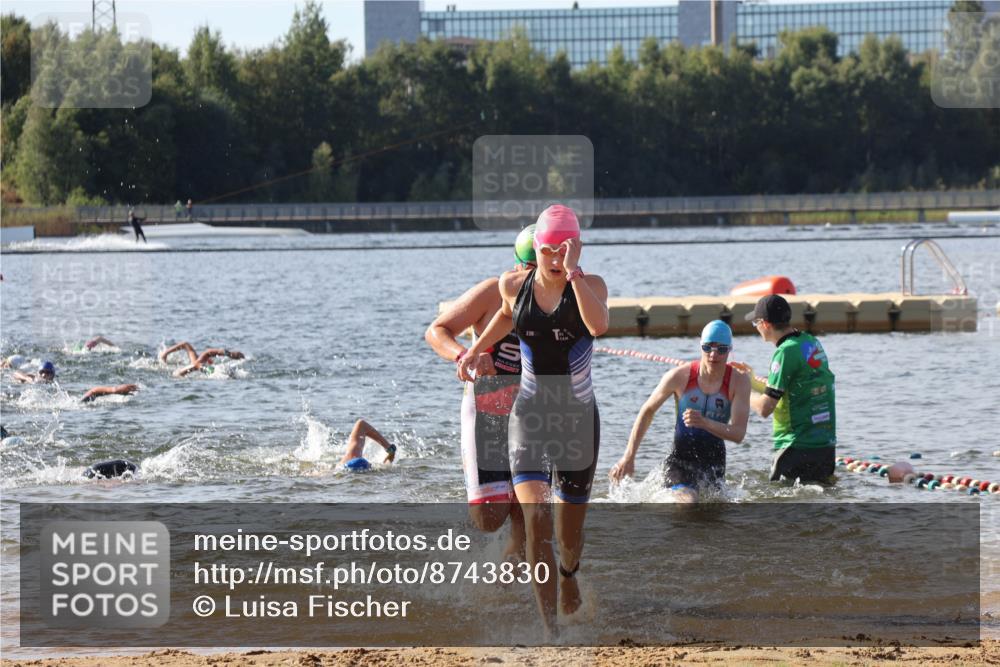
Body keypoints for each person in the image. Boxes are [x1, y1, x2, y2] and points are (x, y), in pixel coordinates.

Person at [457, 204, 608, 635]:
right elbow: (507, 314)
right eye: (549, 250)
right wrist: (475, 348)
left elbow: (597, 326)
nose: (556, 258)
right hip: (529, 416)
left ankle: (569, 574)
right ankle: (551, 630)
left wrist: (574, 274)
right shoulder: (512, 284)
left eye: (565, 249)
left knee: (568, 536)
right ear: (536, 248)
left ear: (576, 247)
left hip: (577, 421)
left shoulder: (591, 286)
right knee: (536, 517)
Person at [425, 225, 536, 559]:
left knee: (531, 519)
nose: (535, 279)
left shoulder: (559, 299)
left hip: (532, 417)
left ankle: (503, 598)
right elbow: (437, 331)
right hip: (487, 410)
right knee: (489, 519)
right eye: (530, 269)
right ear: (518, 266)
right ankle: (456, 555)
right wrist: (465, 356)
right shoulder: (492, 293)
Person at [610, 321, 751, 502]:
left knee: (712, 518)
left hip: (714, 463)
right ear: (700, 345)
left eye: (721, 349)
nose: (713, 354)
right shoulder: (679, 377)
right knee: (687, 501)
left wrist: (705, 422)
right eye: (707, 348)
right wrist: (628, 457)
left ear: (730, 349)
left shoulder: (738, 382)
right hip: (680, 461)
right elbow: (648, 410)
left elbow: (738, 433)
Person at [743, 295, 837, 483]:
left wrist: (742, 389)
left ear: (765, 324)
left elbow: (764, 408)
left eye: (756, 322)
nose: (756, 328)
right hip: (825, 447)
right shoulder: (810, 342)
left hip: (795, 447)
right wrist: (751, 380)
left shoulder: (784, 353)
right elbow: (789, 391)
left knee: (782, 507)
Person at [159, 342, 245, 378]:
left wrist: (165, 353)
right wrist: (230, 354)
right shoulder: (198, 361)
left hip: (207, 371)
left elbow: (185, 344)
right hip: (211, 372)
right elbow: (208, 352)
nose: (211, 360)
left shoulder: (195, 361)